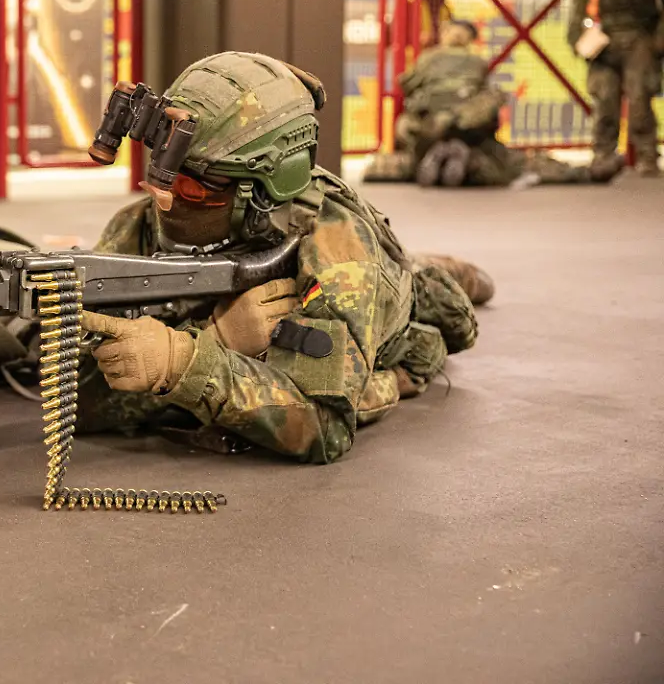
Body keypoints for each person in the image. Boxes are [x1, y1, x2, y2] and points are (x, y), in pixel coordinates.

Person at [73, 52, 491, 464]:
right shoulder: (136, 226)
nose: (167, 202)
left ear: (260, 191)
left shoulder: (338, 252)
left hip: (394, 294)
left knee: (436, 292)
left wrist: (187, 364)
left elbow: (324, 428)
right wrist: (215, 340)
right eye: (164, 176)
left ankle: (417, 335)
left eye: (194, 190)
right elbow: (70, 397)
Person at [365, 20, 612, 187]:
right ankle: (588, 172)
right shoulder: (477, 62)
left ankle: (432, 161)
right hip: (469, 128)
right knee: (512, 163)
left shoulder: (428, 58)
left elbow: (406, 84)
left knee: (406, 155)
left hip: (427, 128)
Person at [568, 0, 663, 179]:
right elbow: (579, 4)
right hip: (603, 39)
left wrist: (658, 41)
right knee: (605, 100)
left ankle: (646, 156)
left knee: (640, 99)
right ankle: (603, 155)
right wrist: (578, 40)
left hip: (640, 39)